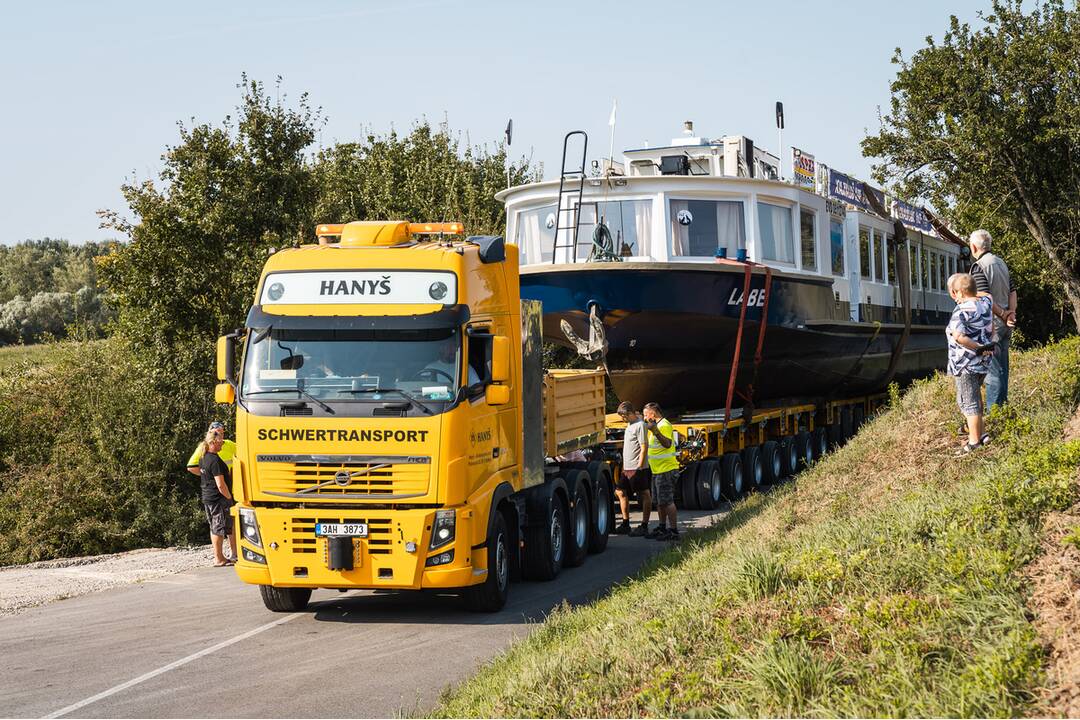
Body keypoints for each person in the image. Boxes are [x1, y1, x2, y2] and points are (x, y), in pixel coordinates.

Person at [946, 273, 994, 453]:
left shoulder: (961, 311)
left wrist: (977, 347)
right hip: (983, 363)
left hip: (966, 363)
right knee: (970, 398)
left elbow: (958, 336)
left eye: (954, 293)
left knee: (969, 402)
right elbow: (988, 295)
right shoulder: (985, 304)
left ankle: (974, 442)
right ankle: (982, 434)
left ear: (958, 292)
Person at [968, 230, 1017, 409]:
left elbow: (983, 296)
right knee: (1003, 368)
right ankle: (1003, 409)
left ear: (974, 247)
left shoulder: (979, 266)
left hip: (992, 326)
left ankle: (994, 413)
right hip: (1005, 324)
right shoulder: (1001, 262)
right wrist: (1010, 312)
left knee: (992, 371)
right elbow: (1013, 291)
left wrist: (1002, 314)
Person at [643, 402, 680, 541]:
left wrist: (655, 431)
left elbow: (667, 444)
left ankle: (674, 530)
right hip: (657, 470)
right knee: (659, 502)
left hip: (666, 469)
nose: (645, 417)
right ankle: (662, 527)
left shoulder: (664, 425)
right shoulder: (652, 427)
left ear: (653, 414)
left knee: (668, 501)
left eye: (646, 414)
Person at [199, 430, 237, 566]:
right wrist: (229, 498)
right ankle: (219, 558)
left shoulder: (203, 457)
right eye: (221, 441)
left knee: (214, 527)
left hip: (208, 497)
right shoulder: (214, 460)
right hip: (218, 499)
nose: (222, 443)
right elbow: (221, 484)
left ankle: (219, 556)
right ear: (213, 442)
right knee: (219, 528)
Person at [614, 402, 652, 536]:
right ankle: (625, 523)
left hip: (637, 467)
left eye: (624, 416)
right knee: (620, 492)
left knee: (644, 494)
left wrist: (640, 467)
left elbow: (644, 447)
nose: (623, 418)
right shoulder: (629, 425)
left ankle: (644, 525)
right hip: (628, 468)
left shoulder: (640, 425)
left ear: (630, 413)